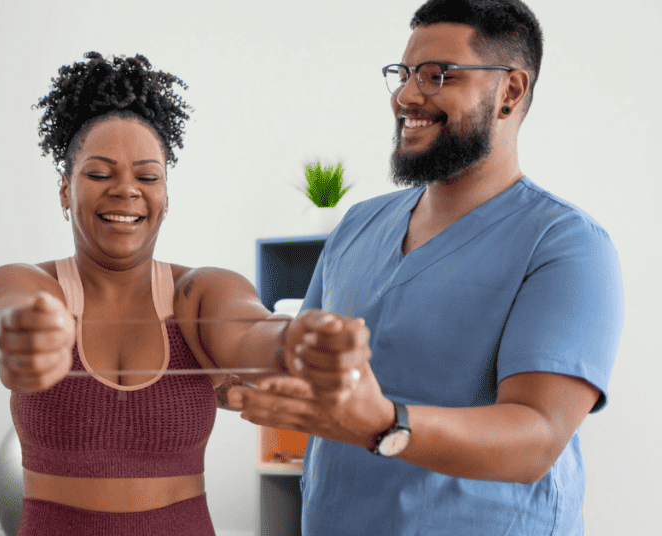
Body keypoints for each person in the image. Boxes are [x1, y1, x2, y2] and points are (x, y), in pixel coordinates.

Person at [227, 1, 624, 534]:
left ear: (510, 91)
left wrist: (385, 424)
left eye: (438, 76)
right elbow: (302, 361)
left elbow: (537, 436)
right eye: (404, 73)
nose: (406, 96)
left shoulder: (565, 245)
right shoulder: (358, 227)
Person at [0, 52, 332, 536]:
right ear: (64, 190)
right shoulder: (29, 285)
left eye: (147, 176)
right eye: (100, 174)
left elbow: (251, 330)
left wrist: (296, 339)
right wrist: (20, 334)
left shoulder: (200, 290)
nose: (126, 190)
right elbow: (5, 310)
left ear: (166, 195)